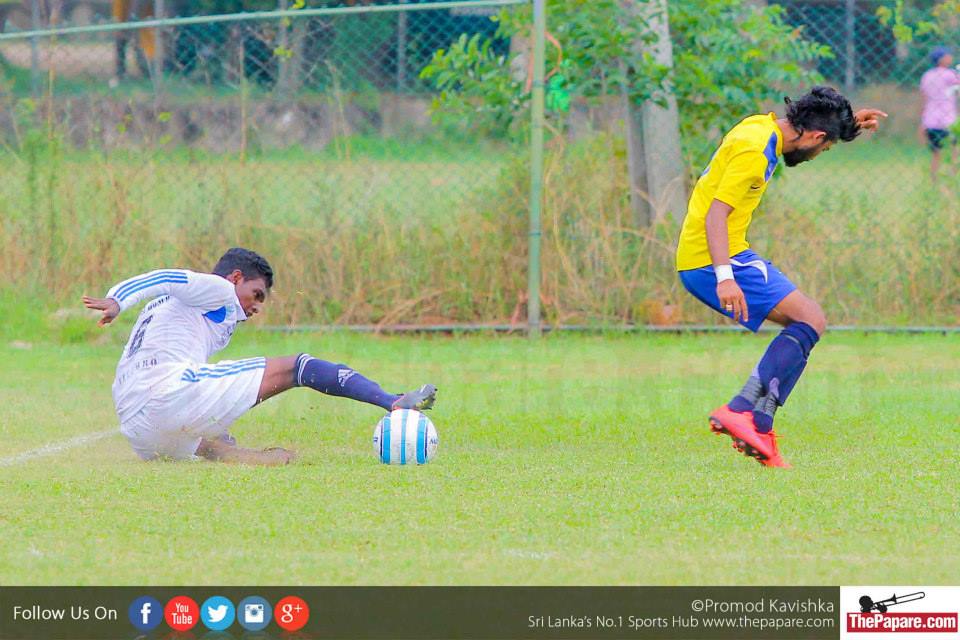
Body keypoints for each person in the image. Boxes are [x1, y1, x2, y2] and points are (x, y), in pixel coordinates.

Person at [676, 86, 885, 468]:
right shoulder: (755, 152)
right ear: (816, 136)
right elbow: (716, 215)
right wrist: (725, 277)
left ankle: (759, 426)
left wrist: (847, 125)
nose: (819, 153)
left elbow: (810, 133)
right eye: (825, 147)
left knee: (810, 320)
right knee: (810, 318)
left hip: (722, 253)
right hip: (713, 259)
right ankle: (742, 411)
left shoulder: (762, 127)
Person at [82, 247, 437, 465]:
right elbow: (165, 276)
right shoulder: (218, 289)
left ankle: (237, 454)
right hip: (166, 391)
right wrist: (118, 299)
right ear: (235, 278)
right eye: (257, 294)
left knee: (214, 432)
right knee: (298, 367)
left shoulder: (177, 311)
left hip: (139, 430)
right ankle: (392, 401)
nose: (257, 307)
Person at [919, 46, 960, 180]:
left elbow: (924, 99)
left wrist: (922, 123)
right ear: (941, 59)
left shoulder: (927, 75)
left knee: (936, 154)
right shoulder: (950, 74)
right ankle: (952, 179)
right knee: (955, 152)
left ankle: (934, 180)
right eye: (948, 55)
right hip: (948, 120)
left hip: (930, 120)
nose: (950, 57)